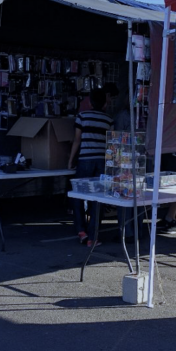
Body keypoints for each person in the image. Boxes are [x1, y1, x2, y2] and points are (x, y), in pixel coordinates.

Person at [68, 88, 113, 246]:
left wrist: (70, 160)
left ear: (90, 101)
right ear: (105, 102)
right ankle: (93, 237)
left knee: (78, 194)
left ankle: (81, 231)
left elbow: (77, 140)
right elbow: (111, 144)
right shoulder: (108, 119)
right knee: (98, 198)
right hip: (101, 161)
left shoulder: (82, 116)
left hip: (85, 159)